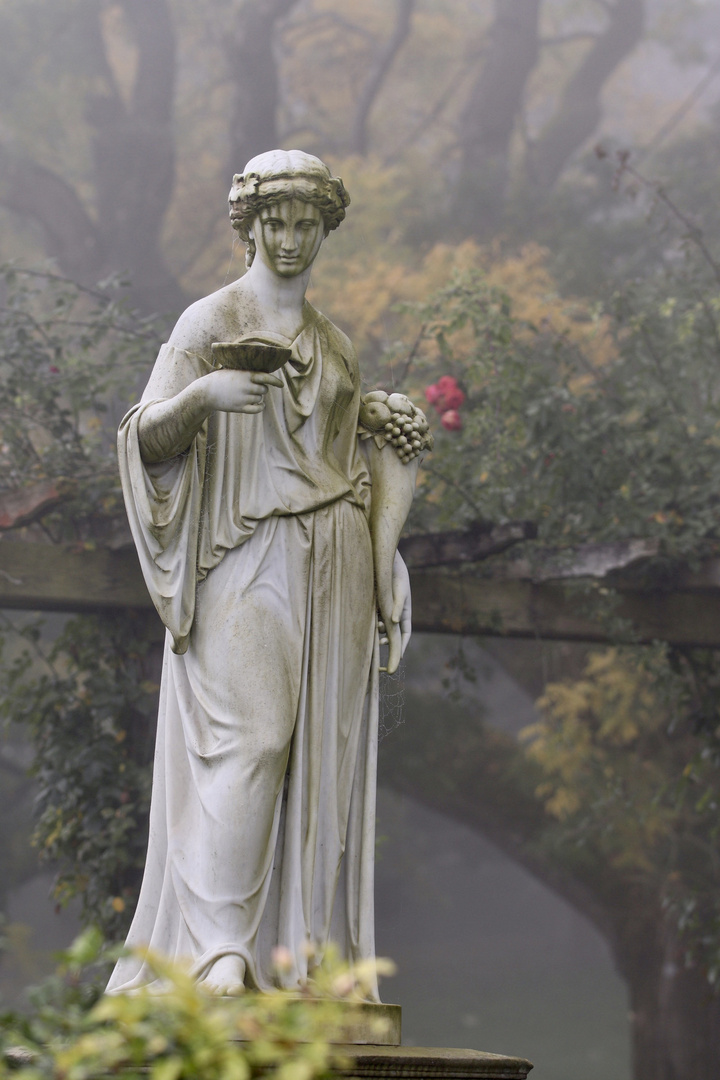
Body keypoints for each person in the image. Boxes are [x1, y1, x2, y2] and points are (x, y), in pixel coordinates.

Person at [107, 150, 425, 997]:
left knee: (321, 758)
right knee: (253, 738)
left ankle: (302, 954)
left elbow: (356, 463)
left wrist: (384, 556)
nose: (290, 239)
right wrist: (204, 399)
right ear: (248, 226)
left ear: (325, 229)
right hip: (241, 554)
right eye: (275, 223)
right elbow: (145, 442)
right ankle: (219, 948)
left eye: (306, 224)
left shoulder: (336, 344)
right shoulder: (209, 321)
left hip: (335, 559)